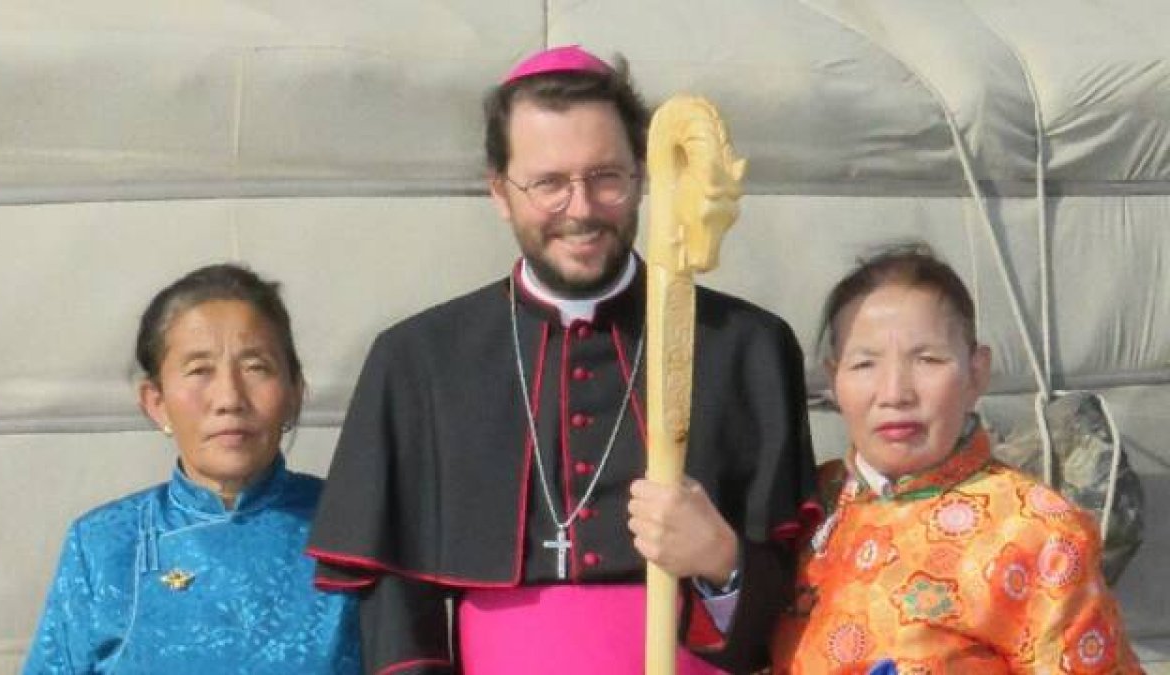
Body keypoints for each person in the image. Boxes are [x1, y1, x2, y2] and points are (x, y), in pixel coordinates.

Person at [307, 45, 818, 674]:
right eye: (548, 183)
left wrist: (722, 563)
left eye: (606, 177)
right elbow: (397, 609)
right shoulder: (418, 360)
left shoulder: (743, 346)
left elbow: (793, 599)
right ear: (500, 192)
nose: (580, 210)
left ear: (641, 175)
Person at [770, 243, 1142, 673]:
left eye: (927, 359)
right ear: (834, 379)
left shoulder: (1037, 530)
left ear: (976, 373)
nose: (894, 393)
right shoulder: (806, 508)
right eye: (864, 364)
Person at [24, 264, 360, 674]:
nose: (229, 398)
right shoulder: (105, 545)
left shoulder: (352, 531)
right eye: (200, 370)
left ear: (294, 392)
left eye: (256, 367)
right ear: (156, 401)